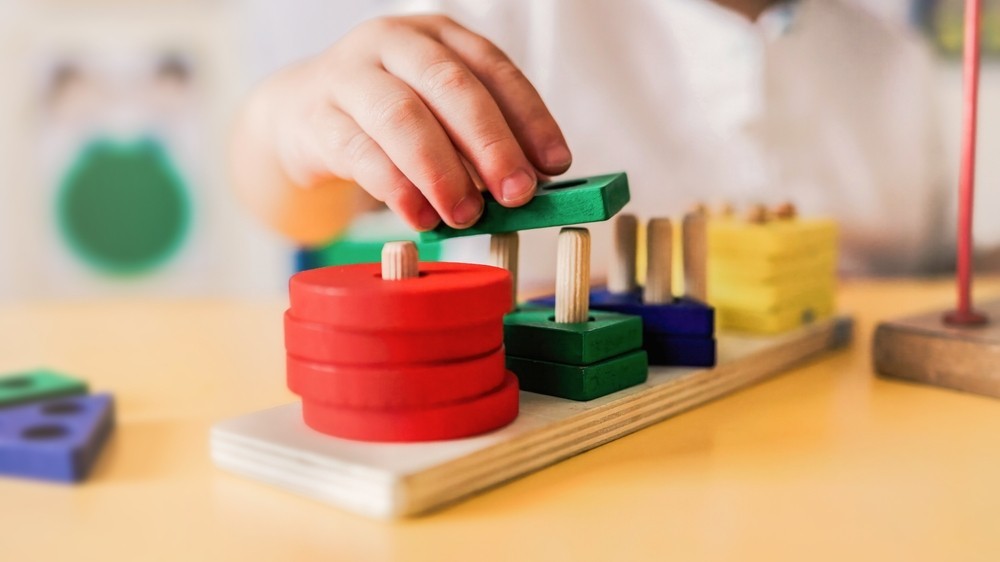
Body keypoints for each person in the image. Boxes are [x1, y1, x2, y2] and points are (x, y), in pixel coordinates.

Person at [232, 0, 952, 287]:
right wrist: (288, 119)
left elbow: (938, 275)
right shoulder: (496, 18)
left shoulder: (894, 60)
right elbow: (294, 201)